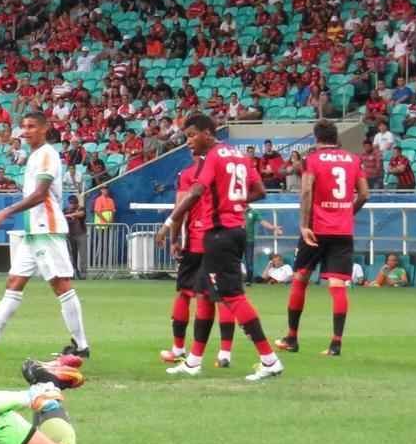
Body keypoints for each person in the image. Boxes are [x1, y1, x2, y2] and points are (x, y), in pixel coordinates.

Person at [156, 113, 284, 381]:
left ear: (208, 133)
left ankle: (270, 359)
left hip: (220, 235)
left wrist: (169, 223)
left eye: (192, 135)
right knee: (204, 295)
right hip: (233, 231)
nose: (188, 141)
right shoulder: (240, 155)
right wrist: (236, 203)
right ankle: (193, 362)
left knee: (233, 297)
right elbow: (260, 191)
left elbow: (195, 192)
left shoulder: (212, 157)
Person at [0, 112, 90, 358]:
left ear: (44, 128)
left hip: (46, 227)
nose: (26, 131)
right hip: (34, 230)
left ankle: (81, 346)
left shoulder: (47, 154)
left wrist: (5, 211)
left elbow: (41, 195)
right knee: (14, 281)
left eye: (31, 126)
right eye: (24, 127)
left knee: (61, 285)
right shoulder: (35, 156)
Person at [276, 121, 369, 356]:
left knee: (300, 279)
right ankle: (336, 344)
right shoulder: (353, 159)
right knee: (337, 286)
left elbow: (307, 190)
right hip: (342, 231)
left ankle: (292, 338)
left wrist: (303, 225)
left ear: (316, 138)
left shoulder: (312, 160)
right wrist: (346, 213)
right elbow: (364, 194)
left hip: (316, 229)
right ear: (336, 138)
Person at [160, 152, 236, 368]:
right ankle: (225, 353)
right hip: (224, 239)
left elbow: (180, 208)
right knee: (223, 297)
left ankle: (178, 349)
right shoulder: (227, 172)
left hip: (196, 242)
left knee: (185, 293)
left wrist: (174, 239)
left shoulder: (188, 174)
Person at [63, 195, 87, 279]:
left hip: (81, 234)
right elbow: (61, 218)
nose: (72, 205)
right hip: (70, 235)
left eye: (74, 203)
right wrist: (67, 216)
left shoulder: (81, 208)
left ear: (77, 203)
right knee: (72, 256)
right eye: (71, 203)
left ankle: (83, 273)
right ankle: (73, 272)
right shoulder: (65, 210)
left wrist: (70, 215)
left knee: (83, 255)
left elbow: (81, 214)